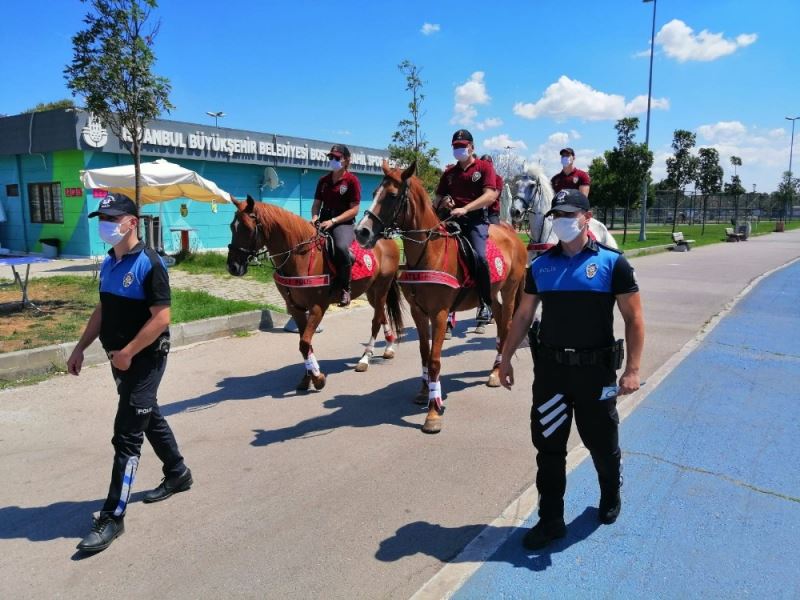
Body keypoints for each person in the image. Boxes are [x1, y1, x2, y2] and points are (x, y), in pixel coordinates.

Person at [498, 188, 644, 551]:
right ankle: (551, 521)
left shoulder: (614, 264)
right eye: (556, 214)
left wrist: (632, 369)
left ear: (586, 216)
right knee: (548, 449)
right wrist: (504, 357)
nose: (562, 221)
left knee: (602, 442)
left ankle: (610, 494)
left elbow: (634, 318)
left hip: (596, 375)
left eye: (568, 213)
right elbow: (523, 315)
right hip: (551, 375)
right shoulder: (541, 266)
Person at [67, 193, 192, 553]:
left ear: (132, 222)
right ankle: (178, 472)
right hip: (118, 358)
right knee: (146, 414)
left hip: (145, 359)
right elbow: (103, 310)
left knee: (126, 435)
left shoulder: (150, 264)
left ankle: (113, 516)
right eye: (102, 218)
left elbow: (162, 318)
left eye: (113, 217)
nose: (106, 224)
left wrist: (128, 353)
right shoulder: (109, 262)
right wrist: (80, 348)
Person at [436, 129, 498, 323]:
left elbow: (489, 196)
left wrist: (466, 208)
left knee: (479, 257)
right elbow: (438, 197)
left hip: (475, 220)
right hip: (452, 219)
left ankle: (485, 303)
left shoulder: (484, 167)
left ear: (472, 147)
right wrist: (444, 201)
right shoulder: (449, 173)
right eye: (456, 146)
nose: (459, 149)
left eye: (462, 146)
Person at [311, 144, 362, 307]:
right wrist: (314, 217)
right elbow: (316, 204)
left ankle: (345, 289)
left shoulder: (352, 180)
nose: (333, 160)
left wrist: (334, 221)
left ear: (346, 160)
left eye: (337, 158)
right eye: (331, 157)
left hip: (343, 223)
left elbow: (354, 209)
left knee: (340, 247)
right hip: (323, 220)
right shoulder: (323, 181)